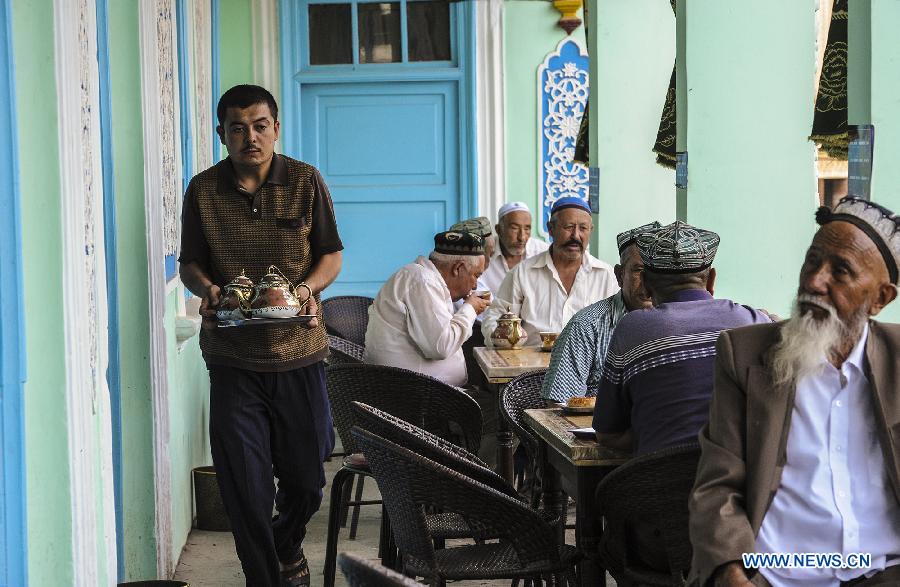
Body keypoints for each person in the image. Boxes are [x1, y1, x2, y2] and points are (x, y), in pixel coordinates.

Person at [178, 85, 343, 586]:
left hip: (299, 352)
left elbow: (331, 255)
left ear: (276, 127)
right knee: (244, 487)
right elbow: (190, 264)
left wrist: (308, 292)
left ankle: (285, 542)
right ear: (222, 134)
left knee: (308, 477)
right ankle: (265, 576)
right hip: (233, 355)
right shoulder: (203, 189)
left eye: (259, 125)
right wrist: (207, 290)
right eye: (237, 127)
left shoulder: (305, 181)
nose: (249, 136)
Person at [689, 196, 900, 587]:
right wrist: (729, 571)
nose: (815, 281)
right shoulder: (746, 354)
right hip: (779, 576)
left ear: (881, 299)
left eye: (841, 271)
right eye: (812, 261)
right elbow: (718, 485)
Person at [592, 220, 770, 456]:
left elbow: (607, 434)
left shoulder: (632, 328)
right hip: (737, 483)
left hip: (655, 483)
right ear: (712, 279)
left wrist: (660, 435)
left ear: (645, 284)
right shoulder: (753, 321)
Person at [541, 221, 660, 404]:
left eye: (658, 272)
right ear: (620, 276)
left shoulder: (679, 324)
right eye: (639, 271)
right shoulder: (586, 327)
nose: (649, 282)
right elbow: (560, 406)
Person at [481, 197, 618, 346]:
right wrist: (503, 343)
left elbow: (620, 325)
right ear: (551, 228)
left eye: (583, 228)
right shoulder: (522, 274)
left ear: (590, 231)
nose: (576, 235)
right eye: (568, 227)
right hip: (532, 367)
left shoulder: (606, 276)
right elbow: (495, 318)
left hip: (589, 368)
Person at [364, 230, 491, 386]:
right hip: (409, 395)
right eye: (476, 276)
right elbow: (441, 346)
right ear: (457, 268)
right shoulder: (422, 282)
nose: (475, 285)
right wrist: (470, 308)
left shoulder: (425, 279)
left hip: (421, 391)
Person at [479, 201, 549, 294]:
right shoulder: (483, 254)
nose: (522, 237)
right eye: (514, 228)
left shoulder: (543, 252)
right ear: (498, 230)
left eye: (527, 229)